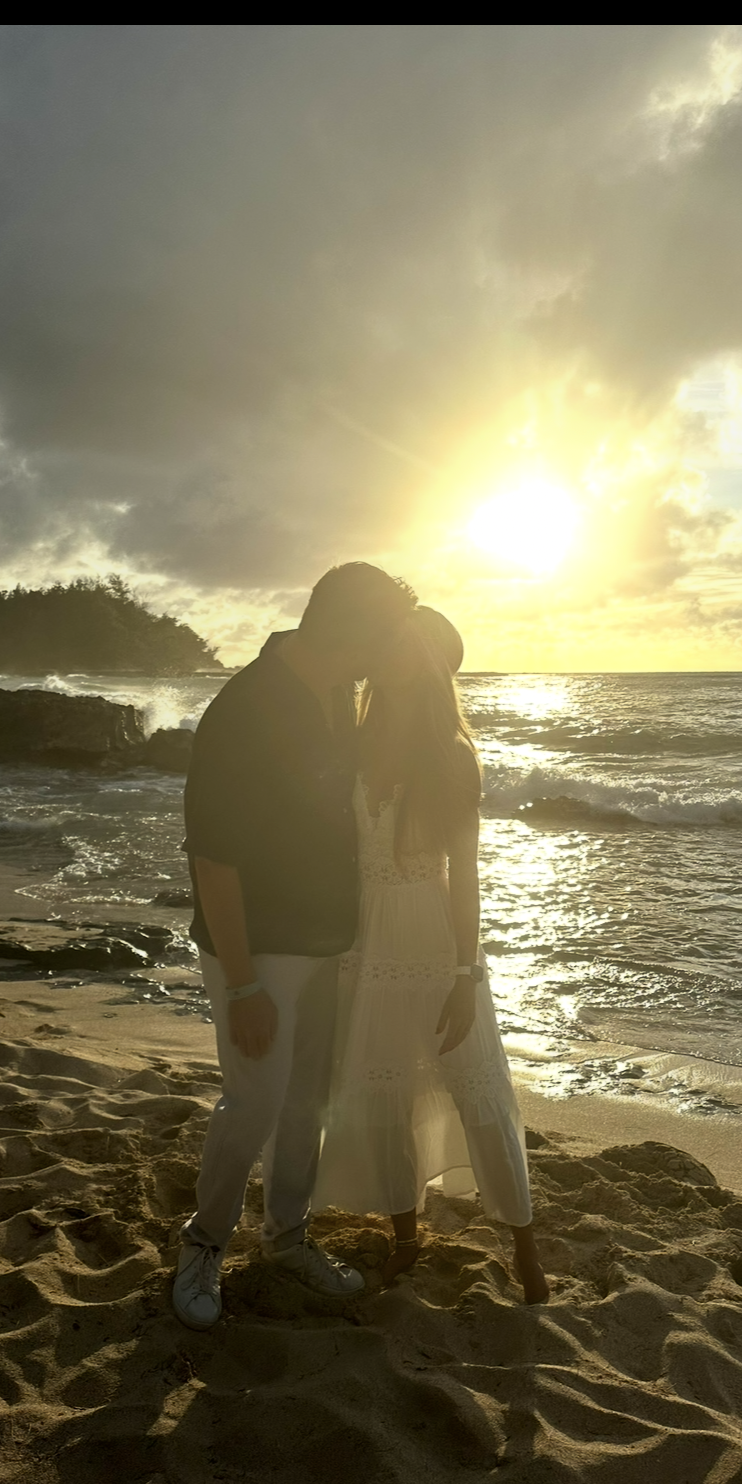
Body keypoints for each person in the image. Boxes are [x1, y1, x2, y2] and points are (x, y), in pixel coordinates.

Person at [172, 560, 419, 1329]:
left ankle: (287, 1237)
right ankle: (204, 1243)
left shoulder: (339, 693)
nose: (383, 661)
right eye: (380, 641)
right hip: (257, 946)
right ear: (345, 631)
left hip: (328, 939)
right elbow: (212, 854)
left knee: (308, 1100)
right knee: (253, 1101)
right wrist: (242, 983)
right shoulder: (244, 707)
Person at [313, 607, 549, 1304]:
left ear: (427, 664)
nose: (388, 656)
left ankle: (526, 1247)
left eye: (403, 647)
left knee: (477, 1088)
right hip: (361, 938)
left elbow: (467, 872)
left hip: (430, 936)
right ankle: (406, 1237)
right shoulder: (352, 742)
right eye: (383, 642)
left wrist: (464, 971)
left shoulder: (449, 753)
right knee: (381, 1089)